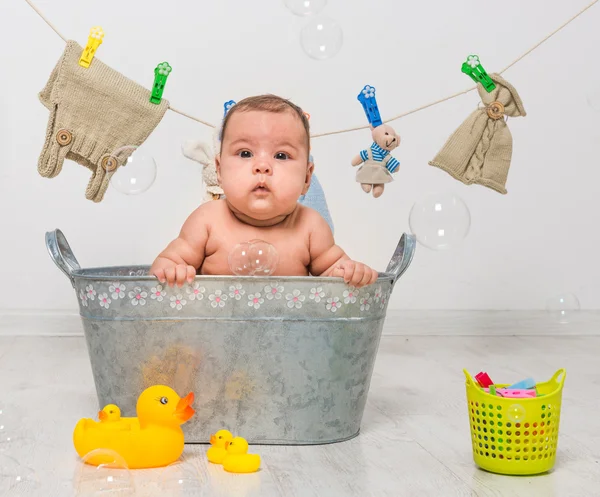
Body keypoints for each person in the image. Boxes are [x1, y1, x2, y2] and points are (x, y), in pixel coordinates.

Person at [149, 94, 378, 288]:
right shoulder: (207, 220)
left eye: (281, 156)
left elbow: (333, 277)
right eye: (245, 153)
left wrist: (349, 272)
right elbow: (165, 263)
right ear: (219, 170)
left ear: (307, 177)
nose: (262, 166)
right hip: (214, 333)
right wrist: (172, 271)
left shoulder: (310, 226)